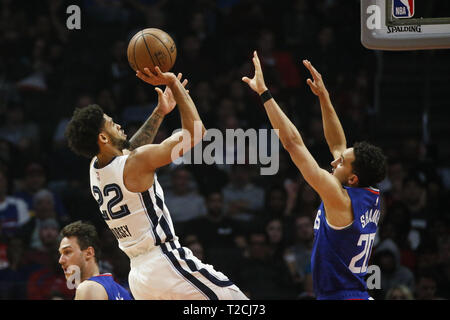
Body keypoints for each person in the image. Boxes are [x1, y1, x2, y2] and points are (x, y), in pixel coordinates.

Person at [65, 67, 248, 300]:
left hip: (139, 276)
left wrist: (160, 112)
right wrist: (174, 84)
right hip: (166, 262)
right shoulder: (135, 162)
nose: (118, 125)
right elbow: (196, 132)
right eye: (111, 124)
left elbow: (127, 149)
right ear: (102, 137)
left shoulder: (95, 167)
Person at [242, 51, 387, 300]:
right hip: (357, 293)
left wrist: (264, 94)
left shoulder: (339, 199)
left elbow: (292, 143)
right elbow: (338, 143)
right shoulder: (368, 194)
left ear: (352, 179)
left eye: (340, 163)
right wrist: (324, 98)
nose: (334, 160)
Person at [58, 220, 133, 300]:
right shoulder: (121, 290)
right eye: (61, 254)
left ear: (89, 253)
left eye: (67, 252)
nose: (61, 260)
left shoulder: (88, 288)